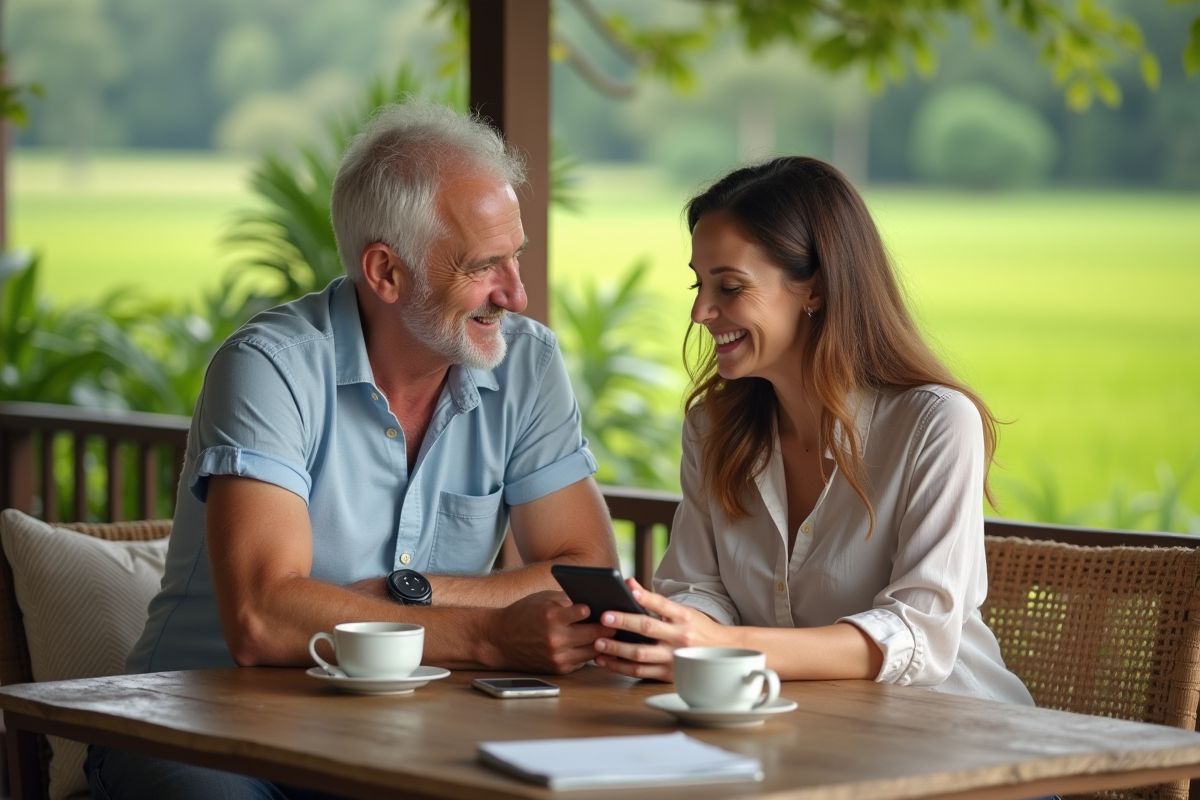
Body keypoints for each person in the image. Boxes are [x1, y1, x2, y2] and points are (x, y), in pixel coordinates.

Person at [86, 101, 619, 799]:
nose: (516, 294)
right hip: (200, 725)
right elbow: (263, 620)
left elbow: (585, 569)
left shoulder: (526, 365)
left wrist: (414, 593)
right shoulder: (269, 367)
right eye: (486, 265)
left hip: (402, 732)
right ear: (386, 273)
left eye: (515, 257)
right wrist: (488, 634)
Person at [591, 156, 1034, 707]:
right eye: (698, 284)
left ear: (815, 288)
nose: (700, 312)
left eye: (729, 287)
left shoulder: (935, 424)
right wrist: (671, 632)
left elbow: (920, 633)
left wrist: (728, 645)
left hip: (964, 752)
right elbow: (698, 587)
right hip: (805, 737)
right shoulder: (712, 428)